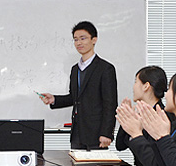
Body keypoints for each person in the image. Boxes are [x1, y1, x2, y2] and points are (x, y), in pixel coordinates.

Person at [39, 21, 118, 149]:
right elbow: (75, 98)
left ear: (94, 40)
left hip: (96, 133)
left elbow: (110, 103)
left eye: (83, 38)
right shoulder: (75, 69)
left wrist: (106, 133)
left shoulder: (105, 68)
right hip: (77, 132)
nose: (79, 43)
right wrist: (54, 99)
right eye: (75, 40)